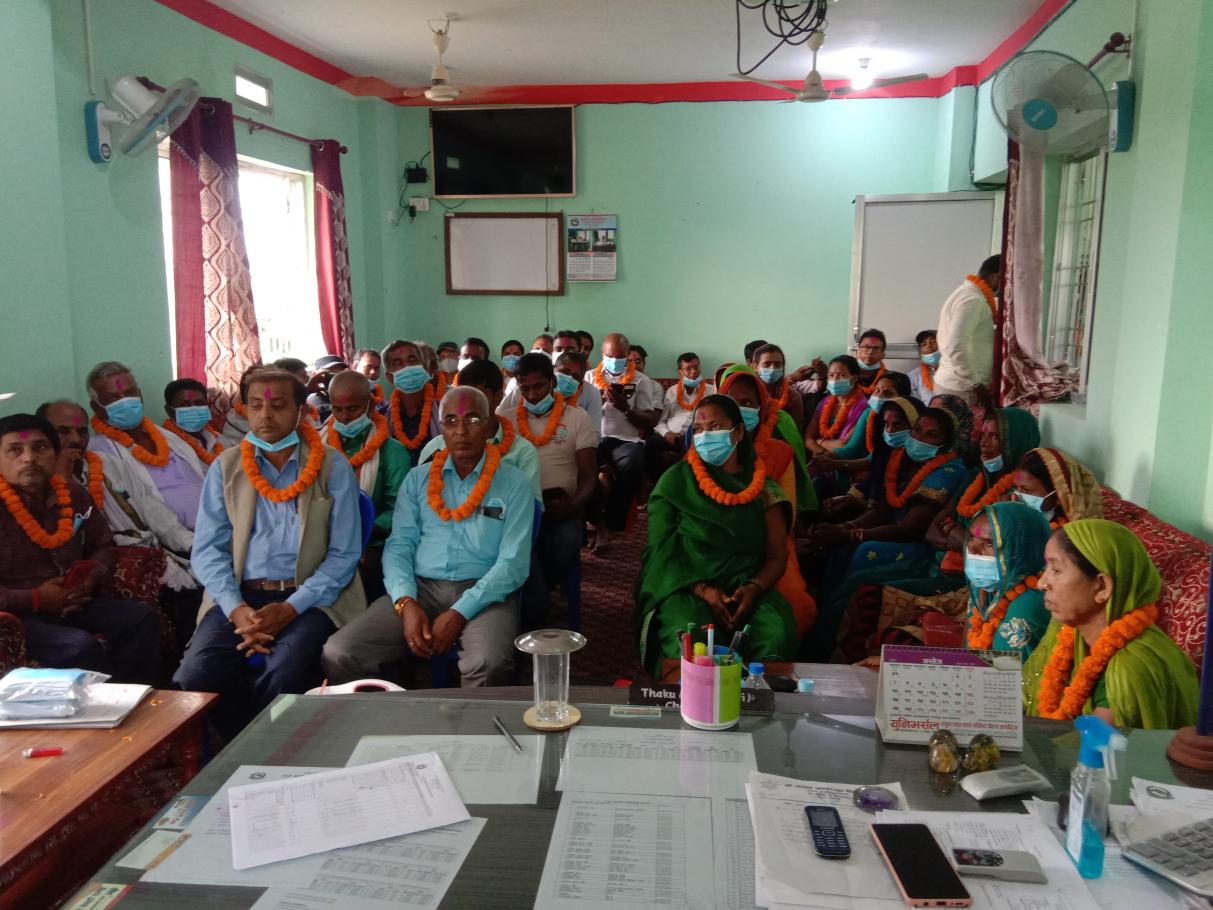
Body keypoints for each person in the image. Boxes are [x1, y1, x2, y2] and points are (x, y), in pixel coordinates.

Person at [175, 368, 365, 739]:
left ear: (301, 411)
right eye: (256, 405)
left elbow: (344, 554)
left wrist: (290, 608)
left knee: (284, 673)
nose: (265, 416)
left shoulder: (331, 466)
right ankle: (239, 744)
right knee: (194, 675)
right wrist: (237, 610)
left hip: (311, 598)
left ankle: (272, 749)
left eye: (278, 406)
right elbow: (208, 550)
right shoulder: (226, 467)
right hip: (239, 596)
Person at [321, 386, 533, 687]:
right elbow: (399, 546)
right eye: (450, 421)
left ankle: (472, 720)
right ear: (441, 427)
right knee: (340, 652)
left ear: (489, 426)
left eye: (473, 419)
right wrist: (405, 602)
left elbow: (513, 563)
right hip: (421, 587)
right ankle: (386, 712)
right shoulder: (417, 479)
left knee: (488, 663)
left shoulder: (514, 483)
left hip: (485, 590)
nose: (461, 431)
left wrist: (460, 612)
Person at [634, 395, 796, 675]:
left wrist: (754, 588)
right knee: (689, 633)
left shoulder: (764, 489)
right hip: (686, 584)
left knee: (775, 633)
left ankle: (756, 697)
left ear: (738, 432)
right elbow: (660, 551)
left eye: (715, 427)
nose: (705, 436)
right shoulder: (674, 483)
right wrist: (703, 590)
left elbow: (776, 556)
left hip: (746, 586)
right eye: (698, 429)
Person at [0, 413, 160, 683]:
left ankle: (138, 698)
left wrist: (89, 580)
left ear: (55, 454)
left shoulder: (72, 493)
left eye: (40, 447)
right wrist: (36, 598)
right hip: (18, 617)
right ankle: (108, 705)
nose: (29, 458)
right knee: (79, 646)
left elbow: (103, 544)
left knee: (140, 618)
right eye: (15, 450)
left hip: (74, 601)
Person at [805, 404, 969, 660]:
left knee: (863, 558)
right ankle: (821, 628)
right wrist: (846, 528)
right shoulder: (903, 459)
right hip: (896, 535)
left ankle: (826, 649)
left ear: (947, 443)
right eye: (917, 430)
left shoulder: (948, 471)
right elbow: (882, 509)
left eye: (932, 435)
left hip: (919, 548)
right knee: (839, 552)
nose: (920, 438)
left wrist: (853, 534)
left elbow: (910, 528)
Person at [1023, 520, 1198, 729]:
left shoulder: (1130, 668)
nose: (1041, 583)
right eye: (1046, 568)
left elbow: (1092, 745)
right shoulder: (1065, 633)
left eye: (1057, 570)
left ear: (1102, 587)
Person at [715, 366, 816, 635]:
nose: (739, 409)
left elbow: (788, 518)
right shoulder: (706, 447)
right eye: (732, 401)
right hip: (712, 540)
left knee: (795, 607)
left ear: (761, 407)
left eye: (748, 403)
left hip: (770, 542)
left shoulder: (779, 452)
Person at [507, 353, 598, 618]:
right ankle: (535, 601)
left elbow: (589, 476)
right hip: (516, 508)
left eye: (538, 386)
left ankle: (536, 598)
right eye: (525, 388)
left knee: (566, 539)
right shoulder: (506, 419)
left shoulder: (578, 418)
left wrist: (574, 505)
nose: (532, 395)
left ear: (553, 383)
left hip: (560, 506)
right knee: (509, 546)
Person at [86, 362, 206, 535]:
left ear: (140, 395)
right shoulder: (100, 452)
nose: (125, 401)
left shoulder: (169, 437)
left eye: (130, 393)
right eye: (113, 398)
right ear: (95, 406)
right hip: (177, 540)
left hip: (219, 525)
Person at [324, 371, 410, 599]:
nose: (344, 417)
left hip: (374, 544)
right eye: (337, 409)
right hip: (324, 542)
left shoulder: (393, 451)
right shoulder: (317, 449)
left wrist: (364, 533)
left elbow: (400, 509)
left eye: (352, 409)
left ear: (370, 406)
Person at [419, 359, 543, 506]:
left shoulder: (522, 452)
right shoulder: (436, 447)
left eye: (477, 396)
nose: (468, 404)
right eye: (463, 396)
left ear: (498, 396)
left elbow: (531, 507)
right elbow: (419, 498)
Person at [586, 333, 663, 544]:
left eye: (620, 357)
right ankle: (597, 521)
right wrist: (598, 401)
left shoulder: (641, 380)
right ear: (602, 353)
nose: (615, 360)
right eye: (610, 356)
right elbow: (579, 414)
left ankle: (614, 523)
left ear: (627, 355)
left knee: (633, 463)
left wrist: (625, 408)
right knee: (583, 463)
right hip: (596, 437)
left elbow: (648, 420)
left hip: (626, 441)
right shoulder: (589, 378)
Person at [962, 501, 1053, 659]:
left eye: (989, 544)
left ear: (1021, 549)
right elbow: (968, 657)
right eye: (972, 538)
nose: (972, 549)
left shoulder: (1027, 607)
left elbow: (1004, 672)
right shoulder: (983, 589)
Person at [933, 255, 1001, 400]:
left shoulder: (969, 294)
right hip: (962, 388)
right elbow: (956, 345)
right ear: (998, 277)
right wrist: (976, 384)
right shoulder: (973, 300)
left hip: (960, 385)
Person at [383, 339, 440, 466]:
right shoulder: (381, 418)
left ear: (424, 367)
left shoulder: (444, 412)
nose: (407, 366)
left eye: (412, 360)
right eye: (398, 363)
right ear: (389, 377)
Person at [1014, 447, 1104, 525]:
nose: (1017, 494)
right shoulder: (1012, 509)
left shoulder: (1068, 532)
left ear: (1058, 492)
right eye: (1016, 487)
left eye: (1027, 489)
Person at [653, 352, 714, 462]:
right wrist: (667, 434)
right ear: (680, 372)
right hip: (672, 437)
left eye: (696, 367)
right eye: (688, 369)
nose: (693, 371)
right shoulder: (672, 391)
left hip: (696, 437)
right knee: (652, 442)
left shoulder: (711, 391)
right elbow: (661, 421)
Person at [162, 378, 224, 466]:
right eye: (185, 404)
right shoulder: (166, 444)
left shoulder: (217, 438)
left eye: (199, 403)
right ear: (170, 411)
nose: (194, 409)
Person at [752, 343, 805, 432]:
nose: (772, 369)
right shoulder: (749, 393)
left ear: (783, 367)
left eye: (777, 364)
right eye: (767, 364)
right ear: (756, 367)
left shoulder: (793, 396)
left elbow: (795, 431)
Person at [306, 355, 348, 424]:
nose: (335, 376)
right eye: (329, 372)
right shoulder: (314, 401)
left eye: (339, 371)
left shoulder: (346, 394)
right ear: (316, 374)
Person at [854, 329, 887, 396]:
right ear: (857, 351)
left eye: (876, 348)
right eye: (866, 347)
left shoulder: (889, 379)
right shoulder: (846, 374)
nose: (870, 352)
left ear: (882, 355)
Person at [910, 330, 939, 403]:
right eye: (923, 344)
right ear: (920, 352)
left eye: (933, 342)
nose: (929, 346)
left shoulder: (956, 371)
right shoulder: (913, 376)